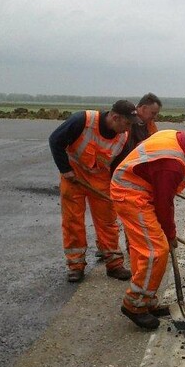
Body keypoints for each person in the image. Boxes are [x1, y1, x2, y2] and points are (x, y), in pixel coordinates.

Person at [111, 126, 185, 330]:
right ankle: (134, 305)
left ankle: (147, 301)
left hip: (137, 189)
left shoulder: (173, 136)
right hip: (132, 195)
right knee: (156, 250)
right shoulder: (173, 163)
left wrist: (157, 181)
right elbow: (164, 206)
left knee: (143, 250)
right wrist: (170, 234)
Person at [48, 100, 138, 283]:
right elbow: (55, 140)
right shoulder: (83, 121)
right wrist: (65, 169)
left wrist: (118, 189)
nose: (128, 128)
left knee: (107, 221)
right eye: (127, 123)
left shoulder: (123, 137)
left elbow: (118, 166)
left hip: (100, 179)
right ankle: (75, 265)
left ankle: (114, 264)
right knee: (73, 221)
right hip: (74, 176)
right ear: (114, 117)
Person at [110, 92, 162, 172]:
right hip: (118, 167)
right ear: (144, 108)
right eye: (153, 113)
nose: (155, 117)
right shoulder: (125, 119)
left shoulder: (150, 125)